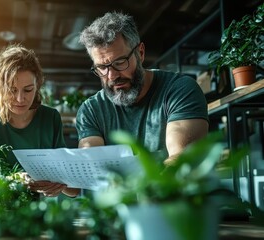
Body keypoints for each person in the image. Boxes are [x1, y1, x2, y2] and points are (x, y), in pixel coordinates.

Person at [77, 12, 209, 165]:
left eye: (120, 62)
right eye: (101, 67)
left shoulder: (180, 90)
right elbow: (91, 167)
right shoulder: (91, 109)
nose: (112, 76)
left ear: (140, 53)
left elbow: (181, 162)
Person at [0, 44, 80, 197]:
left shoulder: (51, 118)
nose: (20, 99)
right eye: (12, 90)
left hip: (36, 215)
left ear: (37, 86)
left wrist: (59, 186)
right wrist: (13, 180)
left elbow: (73, 190)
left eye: (28, 90)